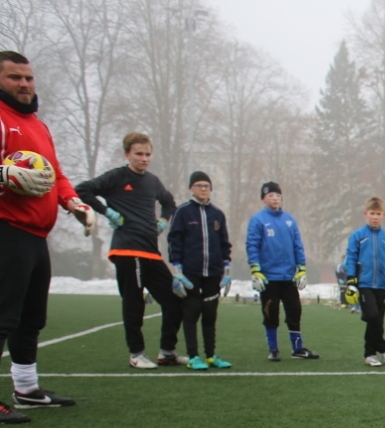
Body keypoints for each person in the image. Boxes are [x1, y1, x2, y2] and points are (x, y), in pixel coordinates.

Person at [0, 50, 95, 423]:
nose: (24, 84)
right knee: (3, 317)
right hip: (7, 230)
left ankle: (26, 388)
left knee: (31, 318)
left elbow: (54, 175)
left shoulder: (37, 125)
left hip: (36, 236)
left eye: (28, 77)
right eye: (14, 77)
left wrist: (74, 203)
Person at [76, 132, 184, 369]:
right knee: (134, 303)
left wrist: (164, 220)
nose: (144, 158)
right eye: (139, 154)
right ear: (127, 154)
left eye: (147, 154)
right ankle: (137, 354)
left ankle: (167, 352)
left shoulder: (153, 181)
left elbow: (169, 202)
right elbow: (82, 190)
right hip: (126, 250)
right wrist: (107, 212)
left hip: (151, 252)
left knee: (175, 300)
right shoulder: (117, 177)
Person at [246, 181, 318, 361]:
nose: (275, 199)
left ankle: (298, 348)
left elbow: (297, 245)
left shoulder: (289, 220)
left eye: (278, 195)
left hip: (288, 276)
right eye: (271, 195)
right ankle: (273, 349)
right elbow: (252, 245)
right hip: (269, 277)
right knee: (271, 313)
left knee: (294, 311)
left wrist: (301, 269)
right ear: (263, 199)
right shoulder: (258, 220)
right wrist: (255, 270)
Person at [167, 171, 232, 369]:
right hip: (190, 273)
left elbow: (224, 243)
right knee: (191, 313)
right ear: (191, 189)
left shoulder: (217, 214)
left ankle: (211, 355)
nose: (203, 189)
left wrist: (226, 268)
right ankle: (193, 356)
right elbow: (174, 239)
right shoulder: (183, 211)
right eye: (199, 185)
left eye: (206, 186)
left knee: (210, 314)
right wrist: (177, 268)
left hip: (213, 273)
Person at [342, 196, 385, 366]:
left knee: (377, 321)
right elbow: (350, 258)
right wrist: (351, 281)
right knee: (372, 316)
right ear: (365, 214)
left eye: (378, 213)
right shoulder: (358, 236)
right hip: (364, 284)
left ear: (383, 215)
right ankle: (383, 349)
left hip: (382, 285)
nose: (375, 217)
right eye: (372, 213)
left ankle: (370, 355)